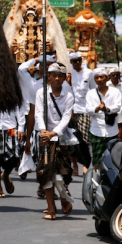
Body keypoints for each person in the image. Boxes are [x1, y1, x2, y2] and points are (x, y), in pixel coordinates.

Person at [36, 63, 75, 220]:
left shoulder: (69, 95)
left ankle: (64, 198)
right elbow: (38, 112)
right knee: (46, 172)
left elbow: (66, 117)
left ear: (65, 78)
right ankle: (51, 208)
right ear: (49, 77)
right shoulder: (41, 93)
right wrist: (43, 131)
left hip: (61, 138)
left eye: (60, 76)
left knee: (61, 174)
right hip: (45, 137)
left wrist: (53, 133)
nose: (57, 78)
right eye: (54, 75)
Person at [86, 68, 122, 166]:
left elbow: (118, 107)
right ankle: (97, 177)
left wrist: (106, 109)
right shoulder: (91, 93)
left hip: (112, 130)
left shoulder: (115, 92)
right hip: (96, 130)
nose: (99, 79)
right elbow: (88, 109)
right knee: (97, 159)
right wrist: (97, 108)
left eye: (101, 77)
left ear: (107, 78)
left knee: (114, 158)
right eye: (97, 77)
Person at [68, 51, 94, 175]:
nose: (78, 62)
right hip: (69, 109)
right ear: (71, 62)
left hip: (84, 110)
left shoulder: (89, 73)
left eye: (79, 60)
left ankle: (85, 163)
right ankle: (75, 166)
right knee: (71, 139)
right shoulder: (68, 73)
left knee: (83, 139)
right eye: (75, 61)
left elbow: (94, 91)